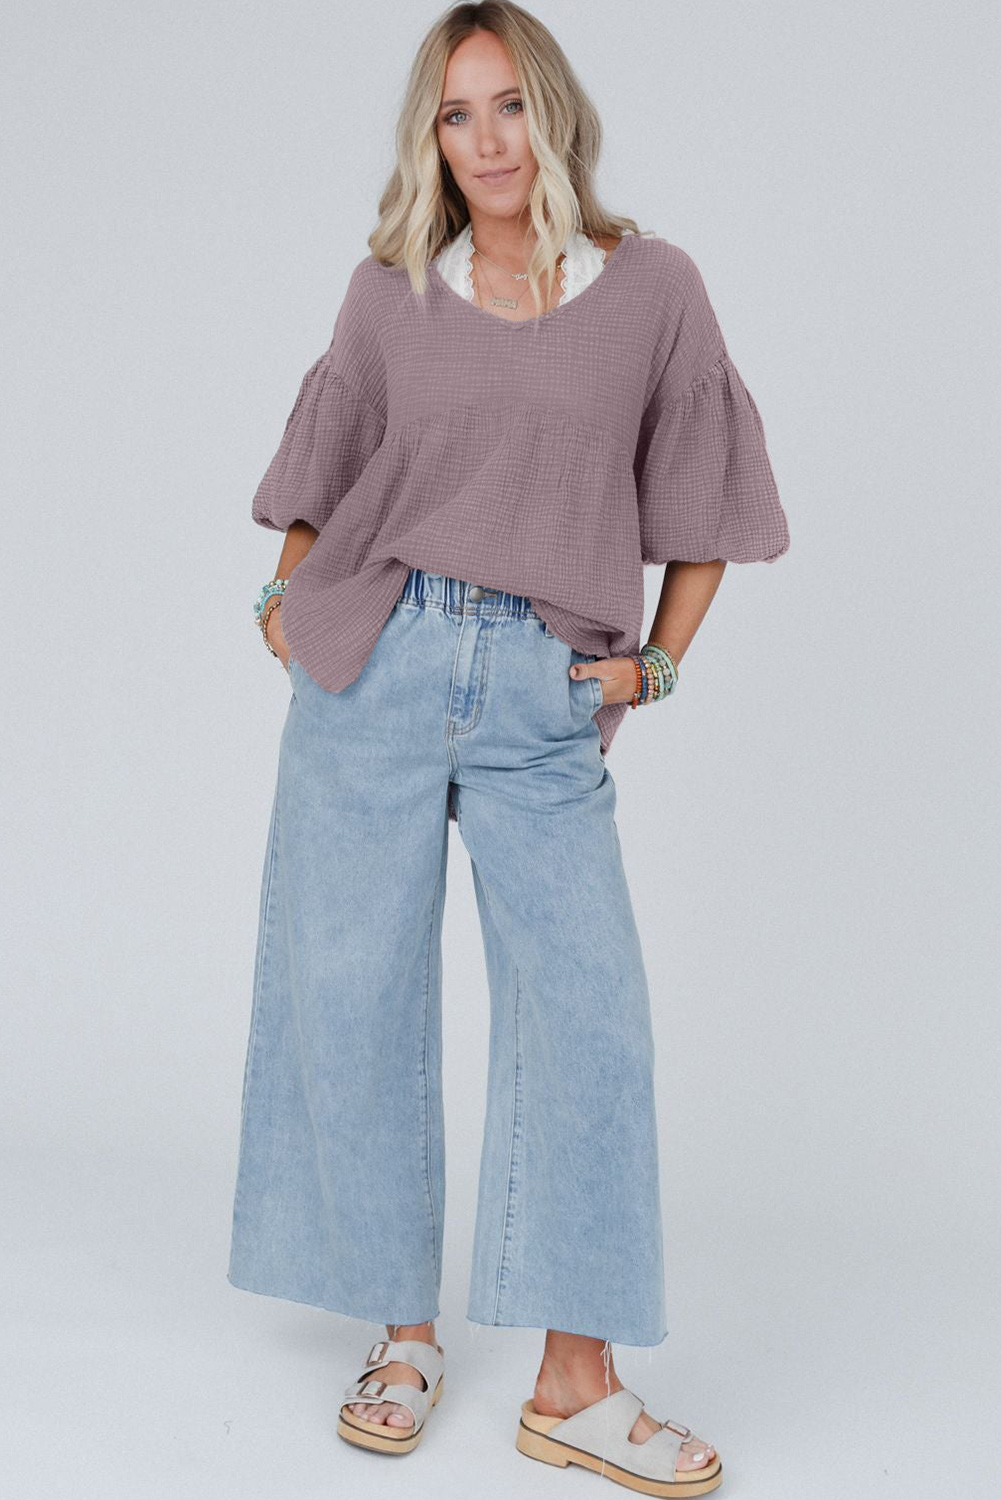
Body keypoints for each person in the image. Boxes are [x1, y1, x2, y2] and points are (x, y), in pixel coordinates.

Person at [228, 3, 789, 1494]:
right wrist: (284, 602)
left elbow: (702, 489)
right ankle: (402, 1336)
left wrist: (653, 661)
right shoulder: (390, 293)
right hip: (377, 660)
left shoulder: (650, 289)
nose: (486, 140)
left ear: (556, 113)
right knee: (351, 995)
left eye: (508, 106)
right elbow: (323, 469)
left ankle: (575, 1383)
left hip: (543, 683)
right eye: (455, 113)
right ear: (431, 138)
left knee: (589, 1017)